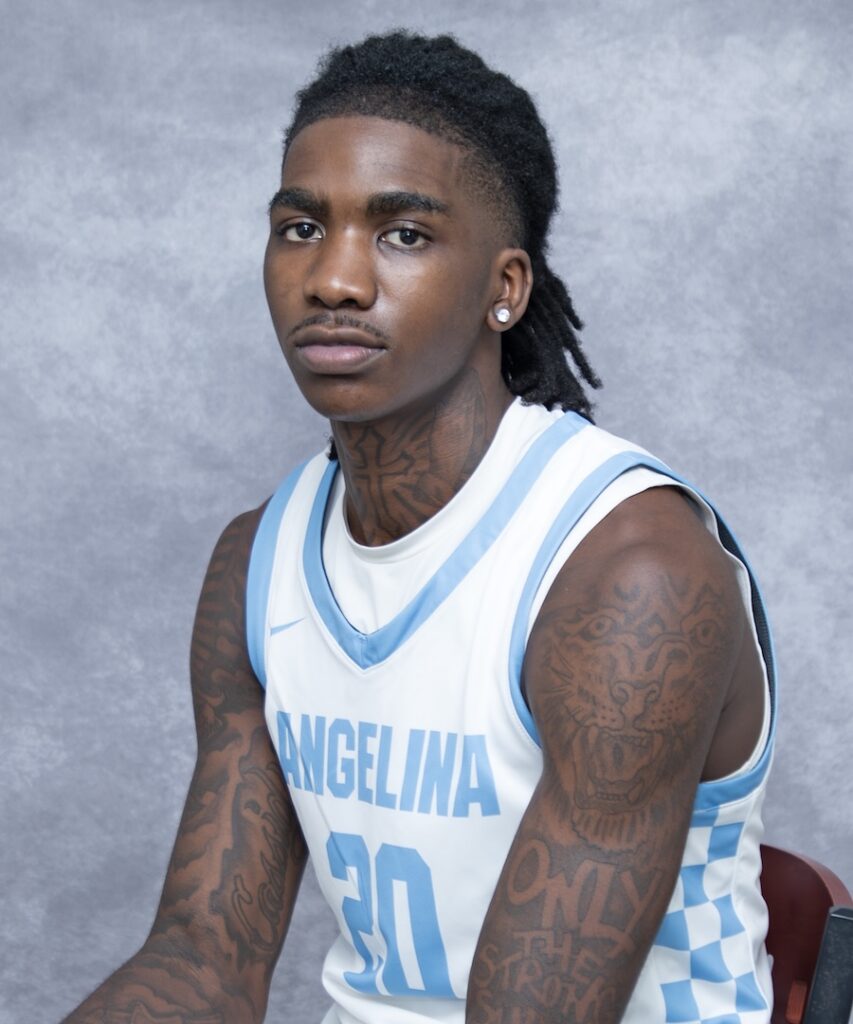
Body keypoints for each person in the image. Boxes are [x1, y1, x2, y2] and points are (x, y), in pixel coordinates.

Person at [64, 30, 775, 1024]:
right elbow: (204, 958)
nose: (335, 281)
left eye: (402, 233)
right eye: (302, 228)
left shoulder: (626, 574)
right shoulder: (258, 564)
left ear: (505, 288)